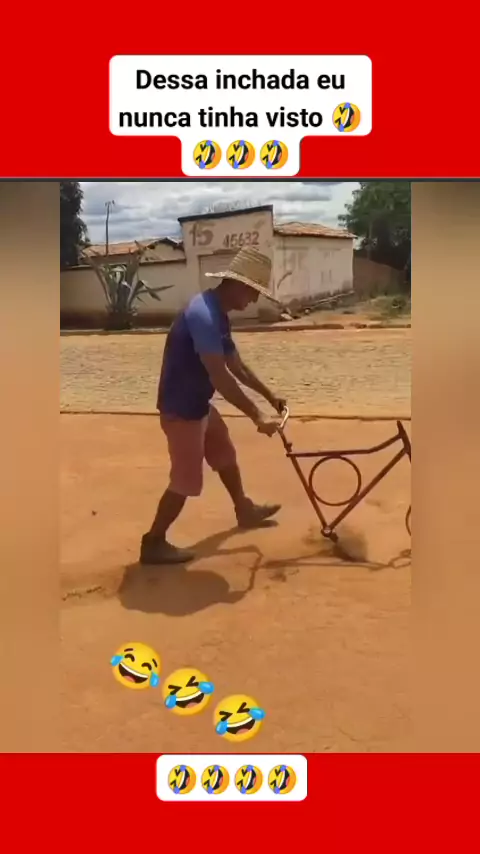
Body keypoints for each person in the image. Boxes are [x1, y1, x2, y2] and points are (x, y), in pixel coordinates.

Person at [140, 246, 287, 565]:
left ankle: (244, 509)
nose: (254, 300)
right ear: (236, 285)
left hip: (198, 403)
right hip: (181, 410)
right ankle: (153, 542)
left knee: (223, 451)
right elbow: (220, 377)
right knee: (186, 480)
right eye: (253, 292)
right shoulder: (203, 316)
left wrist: (269, 395)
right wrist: (257, 416)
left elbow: (236, 365)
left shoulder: (218, 314)